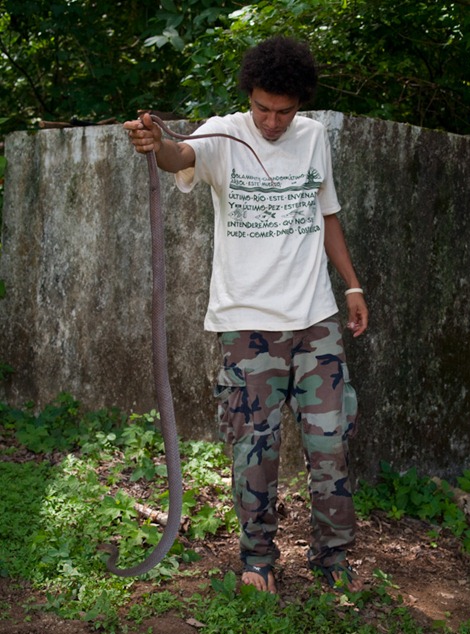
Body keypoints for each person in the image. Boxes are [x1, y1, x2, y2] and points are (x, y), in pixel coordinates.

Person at [124, 36, 368, 594]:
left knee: (331, 444)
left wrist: (351, 284)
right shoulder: (222, 133)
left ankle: (333, 558)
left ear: (300, 105)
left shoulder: (314, 137)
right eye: (263, 108)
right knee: (253, 449)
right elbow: (177, 157)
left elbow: (327, 214)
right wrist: (155, 141)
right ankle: (258, 559)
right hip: (246, 326)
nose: (273, 121)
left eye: (284, 110)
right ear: (248, 97)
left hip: (315, 320)